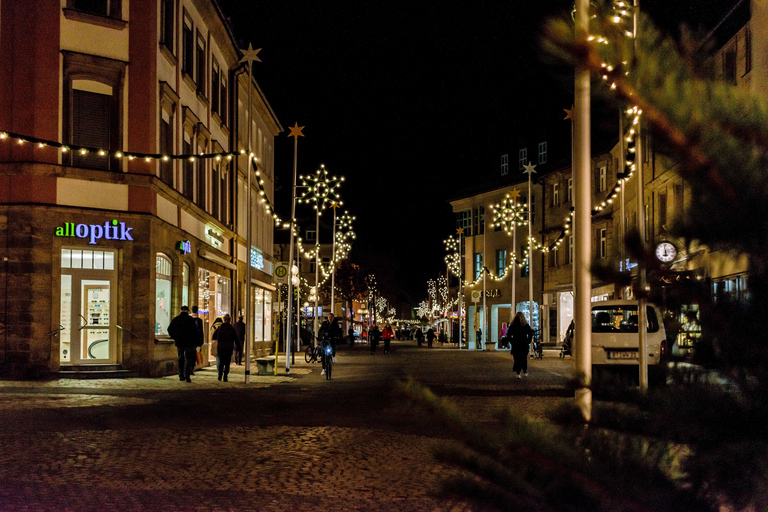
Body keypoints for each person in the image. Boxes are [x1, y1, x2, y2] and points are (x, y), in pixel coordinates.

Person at [167, 305, 199, 382]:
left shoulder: (176, 319)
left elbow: (169, 329)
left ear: (181, 310)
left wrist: (175, 337)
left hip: (180, 342)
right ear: (187, 311)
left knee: (180, 357)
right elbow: (195, 331)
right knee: (188, 358)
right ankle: (187, 375)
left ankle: (181, 374)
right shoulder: (190, 320)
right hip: (189, 342)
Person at [212, 314, 238, 382]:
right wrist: (238, 347)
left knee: (221, 362)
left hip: (221, 347)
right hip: (229, 348)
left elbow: (214, 336)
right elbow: (236, 338)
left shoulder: (220, 328)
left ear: (224, 320)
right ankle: (225, 376)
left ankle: (220, 375)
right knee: (227, 363)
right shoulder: (232, 328)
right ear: (230, 320)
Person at [509, 312, 533, 379]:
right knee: (524, 358)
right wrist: (528, 341)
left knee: (517, 359)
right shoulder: (525, 325)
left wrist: (512, 341)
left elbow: (509, 334)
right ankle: (525, 371)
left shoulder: (513, 325)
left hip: (516, 344)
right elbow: (530, 333)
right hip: (524, 343)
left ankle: (518, 372)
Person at [190, 305, 205, 373]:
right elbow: (201, 332)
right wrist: (201, 342)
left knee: (189, 355)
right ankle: (192, 368)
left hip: (189, 340)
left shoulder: (189, 319)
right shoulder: (199, 320)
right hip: (196, 341)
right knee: (193, 355)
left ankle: (189, 368)